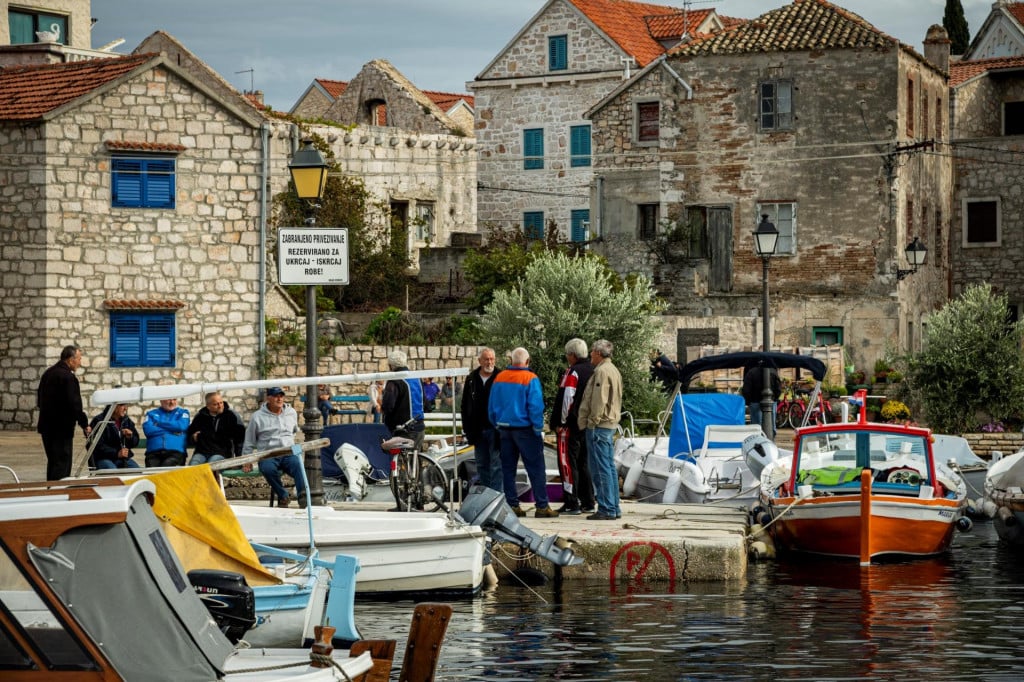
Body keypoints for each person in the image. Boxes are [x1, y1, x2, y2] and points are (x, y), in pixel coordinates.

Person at [489, 347, 557, 518]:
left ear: (511, 361)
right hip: (526, 429)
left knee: (508, 469)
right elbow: (535, 406)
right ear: (527, 361)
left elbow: (491, 406)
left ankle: (512, 505)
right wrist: (537, 427)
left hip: (505, 429)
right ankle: (542, 506)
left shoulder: (499, 377)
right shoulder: (530, 379)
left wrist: (497, 424)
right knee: (536, 468)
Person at [578, 339, 623, 521]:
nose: (590, 355)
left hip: (599, 426)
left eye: (592, 352)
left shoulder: (602, 371)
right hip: (609, 424)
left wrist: (592, 421)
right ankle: (614, 506)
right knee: (609, 467)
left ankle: (606, 508)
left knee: (600, 468)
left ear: (598, 353)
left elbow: (599, 399)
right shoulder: (613, 369)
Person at [549, 338, 596, 515]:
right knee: (584, 463)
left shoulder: (573, 372)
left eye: (568, 354)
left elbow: (568, 398)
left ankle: (571, 502)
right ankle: (588, 501)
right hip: (587, 425)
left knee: (567, 463)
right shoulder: (593, 370)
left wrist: (561, 423)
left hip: (570, 426)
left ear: (572, 355)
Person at [242, 387, 305, 508]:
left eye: (281, 396)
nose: (279, 398)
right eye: (276, 396)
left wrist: (297, 452)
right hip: (268, 454)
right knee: (267, 469)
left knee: (299, 465)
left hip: (288, 451)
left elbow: (293, 432)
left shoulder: (291, 412)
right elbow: (249, 440)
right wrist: (247, 460)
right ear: (268, 398)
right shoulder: (257, 416)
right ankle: (283, 495)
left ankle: (303, 498)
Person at [37, 344, 91, 480]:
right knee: (62, 464)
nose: (80, 363)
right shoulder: (68, 378)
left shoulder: (48, 373)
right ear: (71, 359)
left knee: (53, 462)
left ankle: (51, 492)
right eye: (78, 359)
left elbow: (39, 400)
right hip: (61, 428)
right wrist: (84, 424)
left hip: (46, 427)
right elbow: (75, 404)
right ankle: (58, 494)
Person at [461, 347, 503, 491]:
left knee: (497, 465)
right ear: (479, 361)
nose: (489, 362)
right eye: (486, 359)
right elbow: (464, 405)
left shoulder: (501, 377)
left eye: (492, 359)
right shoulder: (471, 379)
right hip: (477, 430)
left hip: (496, 429)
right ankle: (486, 497)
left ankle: (497, 498)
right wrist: (467, 429)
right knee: (481, 465)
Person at [381, 350, 426, 451]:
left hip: (402, 430)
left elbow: (388, 406)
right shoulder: (417, 379)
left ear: (391, 366)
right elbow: (426, 404)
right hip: (419, 427)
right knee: (415, 462)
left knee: (398, 462)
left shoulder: (394, 380)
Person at [187, 391, 245, 466]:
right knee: (192, 467)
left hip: (222, 454)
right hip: (201, 452)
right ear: (208, 406)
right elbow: (189, 434)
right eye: (215, 404)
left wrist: (240, 461)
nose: (220, 406)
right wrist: (193, 437)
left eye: (221, 403)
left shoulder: (232, 416)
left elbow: (240, 439)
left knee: (212, 466)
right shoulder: (200, 417)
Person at [88, 403, 140, 470]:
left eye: (126, 405)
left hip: (122, 459)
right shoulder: (99, 421)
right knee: (113, 472)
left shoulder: (126, 420)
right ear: (114, 406)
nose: (126, 408)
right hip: (102, 459)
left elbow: (135, 442)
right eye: (122, 405)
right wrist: (116, 453)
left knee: (137, 471)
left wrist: (130, 437)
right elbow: (96, 446)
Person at [143, 398, 190, 467]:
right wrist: (173, 430)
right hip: (153, 453)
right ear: (161, 400)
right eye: (169, 399)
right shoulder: (151, 414)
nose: (172, 402)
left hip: (175, 452)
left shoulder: (183, 412)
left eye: (174, 399)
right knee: (151, 474)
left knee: (166, 468)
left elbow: (181, 426)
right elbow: (148, 430)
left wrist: (158, 423)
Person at [742, 361, 782, 429]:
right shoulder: (773, 372)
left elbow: (746, 390)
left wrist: (749, 402)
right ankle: (771, 437)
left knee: (756, 426)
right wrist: (775, 399)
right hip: (771, 402)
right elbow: (778, 389)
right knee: (771, 425)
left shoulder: (751, 372)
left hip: (755, 401)